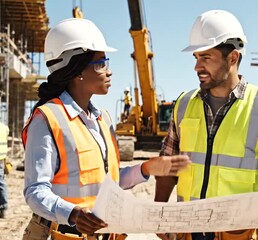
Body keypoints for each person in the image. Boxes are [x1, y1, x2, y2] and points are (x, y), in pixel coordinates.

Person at [21, 18, 190, 240]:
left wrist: (146, 169)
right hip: (61, 234)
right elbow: (34, 192)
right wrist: (72, 214)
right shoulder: (47, 119)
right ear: (76, 69)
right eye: (101, 63)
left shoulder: (103, 120)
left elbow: (106, 182)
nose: (109, 71)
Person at [155, 10, 258, 240]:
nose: (197, 67)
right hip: (189, 233)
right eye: (196, 58)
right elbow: (167, 166)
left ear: (233, 58)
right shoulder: (184, 104)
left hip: (240, 234)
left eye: (206, 58)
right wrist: (159, 212)